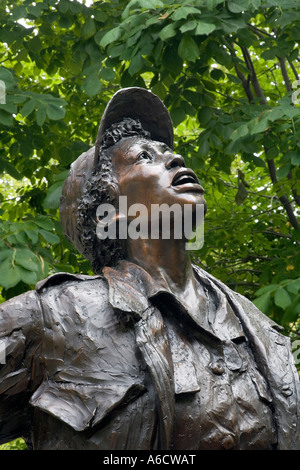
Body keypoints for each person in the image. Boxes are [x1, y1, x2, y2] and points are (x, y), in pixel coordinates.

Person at [0, 87, 299, 450]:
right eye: (145, 157)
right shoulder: (53, 316)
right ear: (109, 209)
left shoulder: (262, 333)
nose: (174, 159)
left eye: (170, 152)